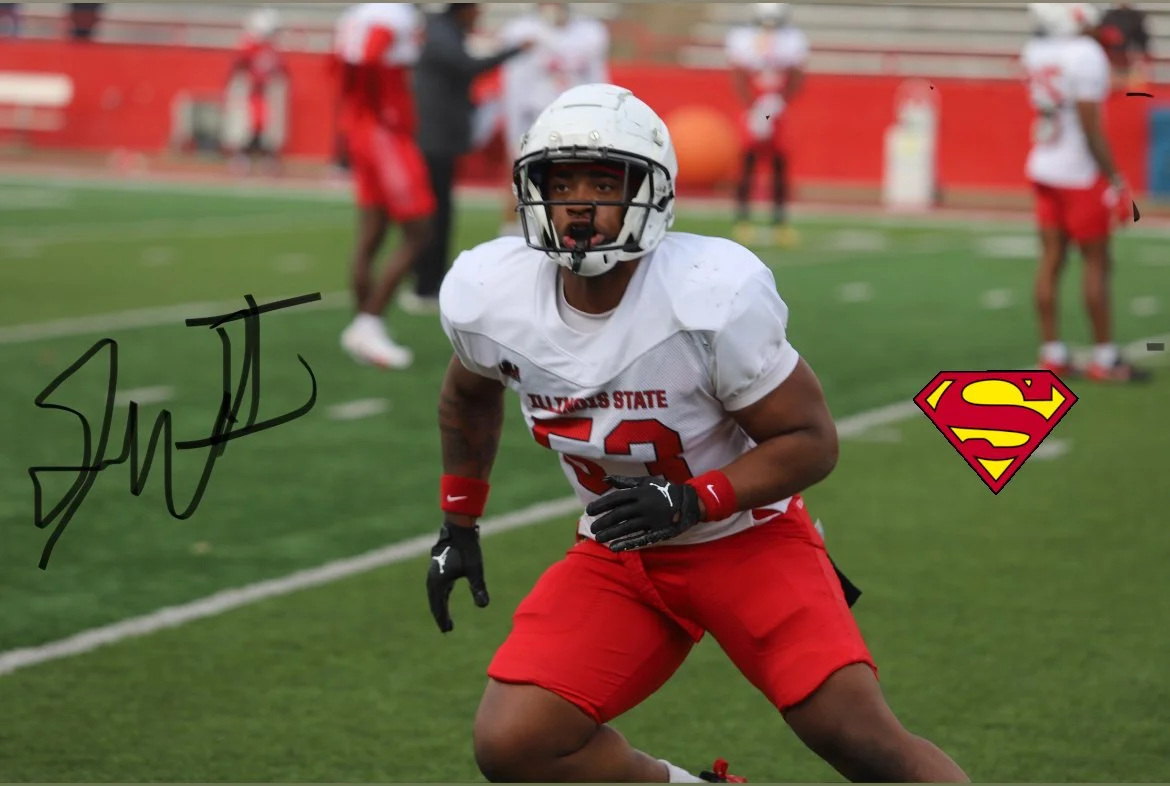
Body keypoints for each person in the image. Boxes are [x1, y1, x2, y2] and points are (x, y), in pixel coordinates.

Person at [425, 82, 971, 784]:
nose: (581, 203)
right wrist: (459, 522)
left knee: (861, 740)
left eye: (603, 182)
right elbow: (465, 398)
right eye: (563, 183)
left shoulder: (705, 293)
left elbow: (810, 439)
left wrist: (693, 499)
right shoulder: (495, 295)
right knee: (515, 743)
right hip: (620, 555)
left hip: (746, 540)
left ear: (649, 194)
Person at [1022, 3, 1148, 382]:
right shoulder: (1087, 55)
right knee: (1097, 262)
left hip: (1044, 162)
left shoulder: (1038, 50)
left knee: (1051, 259)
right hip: (1078, 172)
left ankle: (1052, 351)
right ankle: (1105, 357)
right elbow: (1091, 126)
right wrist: (1116, 179)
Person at [401, 3, 529, 317]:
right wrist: (513, 51)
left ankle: (429, 278)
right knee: (435, 211)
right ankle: (425, 282)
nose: (479, 16)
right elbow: (466, 66)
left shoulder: (445, 31)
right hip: (434, 138)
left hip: (440, 136)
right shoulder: (440, 31)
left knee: (439, 210)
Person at [333, 2, 436, 370]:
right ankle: (369, 324)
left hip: (366, 126)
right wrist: (382, 110)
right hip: (384, 132)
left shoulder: (362, 13)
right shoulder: (391, 15)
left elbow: (345, 65)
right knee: (419, 230)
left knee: (372, 234)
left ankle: (364, 330)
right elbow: (366, 57)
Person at [496, 2, 609, 238]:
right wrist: (514, 126)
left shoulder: (590, 32)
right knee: (519, 174)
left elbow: (598, 77)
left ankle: (569, 227)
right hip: (535, 116)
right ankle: (510, 233)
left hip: (575, 117)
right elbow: (513, 82)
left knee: (573, 175)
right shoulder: (522, 31)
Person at [724, 3, 807, 248]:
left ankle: (779, 222)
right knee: (748, 161)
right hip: (754, 106)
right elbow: (739, 74)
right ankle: (743, 219)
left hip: (776, 106)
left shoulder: (792, 40)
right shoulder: (744, 39)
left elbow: (796, 74)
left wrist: (781, 100)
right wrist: (753, 105)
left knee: (780, 164)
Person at [227, 8, 288, 177]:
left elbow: (280, 71)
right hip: (250, 93)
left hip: (265, 94)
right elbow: (238, 70)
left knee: (268, 127)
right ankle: (242, 157)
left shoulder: (271, 49)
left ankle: (266, 158)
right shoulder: (248, 47)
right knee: (245, 126)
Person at [1097, 3, 1153, 91]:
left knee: (1132, 88)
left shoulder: (1136, 17)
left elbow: (1143, 40)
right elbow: (1102, 37)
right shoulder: (1109, 16)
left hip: (1130, 59)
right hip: (1113, 59)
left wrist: (1140, 59)